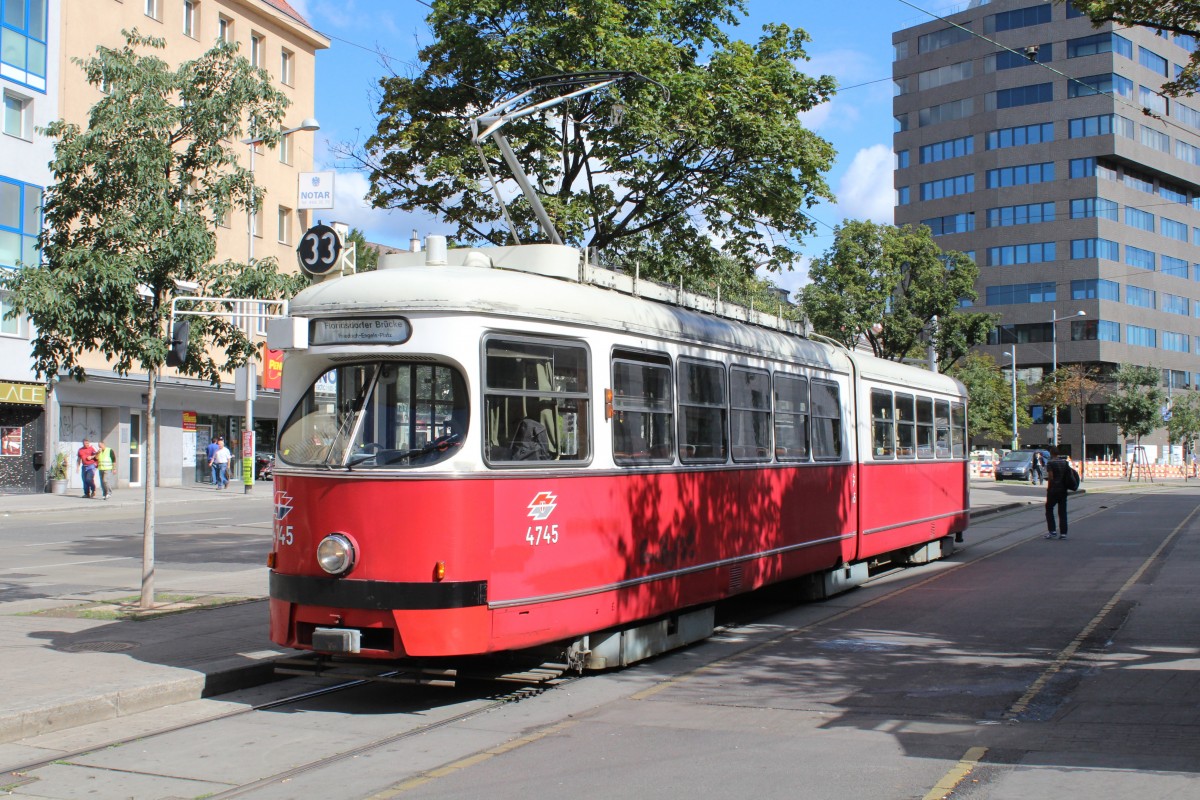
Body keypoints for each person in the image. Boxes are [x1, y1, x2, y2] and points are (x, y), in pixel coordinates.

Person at [1044, 447, 1071, 540]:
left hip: (1053, 490)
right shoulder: (1065, 462)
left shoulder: (1050, 463)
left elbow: (1050, 476)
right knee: (1062, 511)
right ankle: (1063, 533)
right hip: (1063, 489)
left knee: (1049, 509)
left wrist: (1049, 483)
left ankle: (1052, 531)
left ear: (1051, 453)